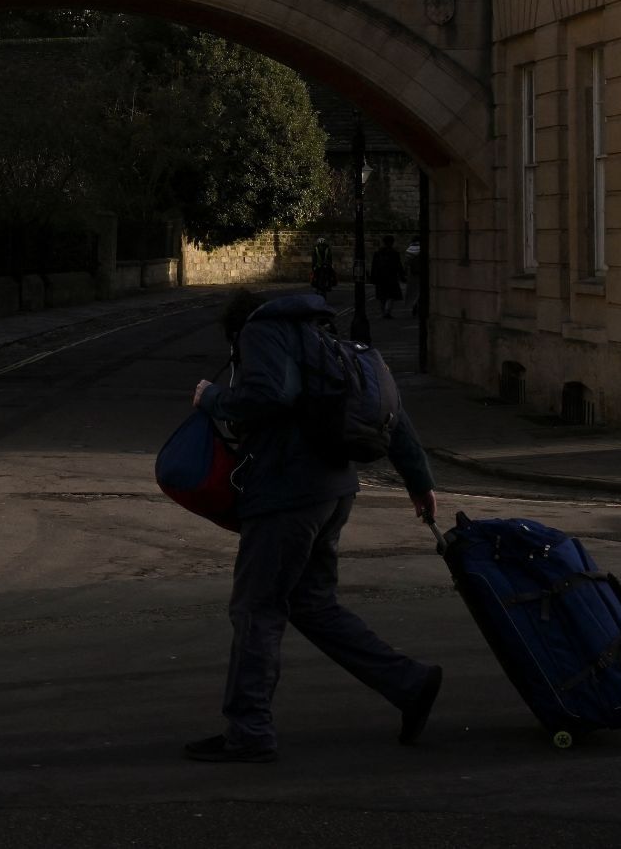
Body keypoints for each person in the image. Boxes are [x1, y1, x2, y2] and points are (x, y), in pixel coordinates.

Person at [183, 290, 441, 763]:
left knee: (256, 610)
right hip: (334, 490)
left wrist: (213, 397)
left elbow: (268, 396)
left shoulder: (261, 333)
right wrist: (419, 483)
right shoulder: (322, 337)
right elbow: (394, 414)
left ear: (237, 331)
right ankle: (409, 683)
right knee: (312, 605)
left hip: (287, 495)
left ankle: (249, 732)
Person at [370, 238, 405, 320]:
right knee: (390, 295)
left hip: (380, 277)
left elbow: (374, 267)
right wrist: (402, 275)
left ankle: (384, 312)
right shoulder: (394, 254)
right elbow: (398, 266)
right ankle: (387, 311)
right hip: (391, 277)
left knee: (382, 296)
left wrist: (373, 277)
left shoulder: (378, 253)